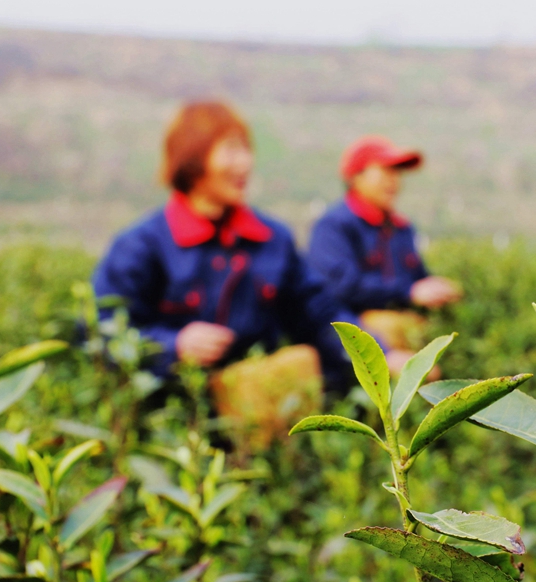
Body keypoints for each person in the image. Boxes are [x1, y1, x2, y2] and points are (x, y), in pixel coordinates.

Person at [93, 101, 352, 412]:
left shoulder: (272, 240)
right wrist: (173, 346)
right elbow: (102, 331)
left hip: (256, 409)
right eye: (231, 150)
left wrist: (378, 355)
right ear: (192, 157)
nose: (245, 162)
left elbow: (319, 313)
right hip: (172, 414)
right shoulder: (142, 244)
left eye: (246, 149)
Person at [308, 136, 461, 371]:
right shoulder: (334, 226)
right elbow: (340, 288)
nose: (394, 181)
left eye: (397, 173)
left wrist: (433, 287)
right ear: (356, 177)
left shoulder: (401, 228)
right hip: (354, 343)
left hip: (403, 335)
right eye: (385, 172)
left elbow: (416, 277)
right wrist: (408, 292)